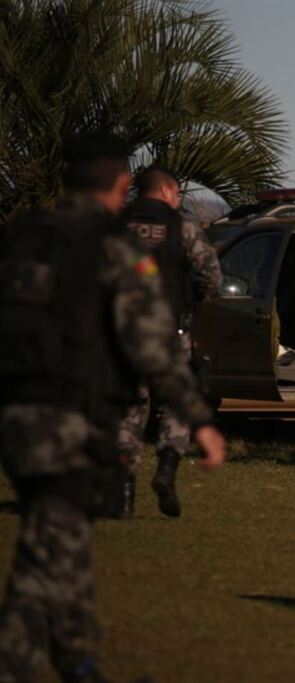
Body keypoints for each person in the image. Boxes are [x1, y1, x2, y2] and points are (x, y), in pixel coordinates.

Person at [0, 134, 226, 682]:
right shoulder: (110, 247)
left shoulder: (22, 236)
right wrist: (198, 419)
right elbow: (151, 344)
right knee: (43, 561)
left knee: (62, 543)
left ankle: (79, 663)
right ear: (120, 185)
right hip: (71, 421)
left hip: (17, 420)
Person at [116, 166, 222, 518]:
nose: (177, 200)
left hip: (122, 334)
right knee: (175, 405)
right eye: (177, 194)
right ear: (166, 192)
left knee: (129, 410)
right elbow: (211, 274)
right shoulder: (181, 227)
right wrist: (194, 299)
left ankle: (125, 495)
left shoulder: (115, 224)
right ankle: (166, 469)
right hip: (170, 332)